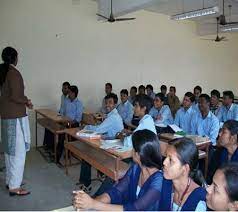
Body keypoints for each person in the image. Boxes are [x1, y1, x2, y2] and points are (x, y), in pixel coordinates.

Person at [73, 130, 164, 211]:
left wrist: (94, 204)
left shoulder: (159, 180)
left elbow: (135, 208)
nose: (131, 151)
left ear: (138, 154)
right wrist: (90, 202)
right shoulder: (136, 168)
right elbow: (117, 191)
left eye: (133, 148)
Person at [0, 47, 33, 196]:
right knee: (19, 153)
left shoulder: (2, 72)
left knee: (9, 151)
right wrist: (27, 101)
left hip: (6, 117)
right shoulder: (13, 73)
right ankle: (14, 186)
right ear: (14, 58)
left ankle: (10, 181)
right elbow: (16, 96)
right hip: (15, 118)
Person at [78, 93, 124, 192]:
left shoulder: (113, 117)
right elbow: (104, 130)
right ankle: (86, 181)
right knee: (88, 152)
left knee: (87, 155)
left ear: (115, 104)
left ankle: (86, 184)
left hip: (114, 148)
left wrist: (86, 127)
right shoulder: (111, 115)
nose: (107, 105)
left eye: (110, 103)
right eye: (106, 103)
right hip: (111, 143)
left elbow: (99, 129)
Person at [159, 138, 207, 211]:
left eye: (171, 160)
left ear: (185, 168)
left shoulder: (199, 202)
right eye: (166, 156)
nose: (164, 162)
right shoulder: (164, 182)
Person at [56, 85, 83, 163]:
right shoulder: (66, 101)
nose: (68, 94)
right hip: (65, 123)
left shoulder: (79, 103)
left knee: (62, 137)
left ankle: (57, 158)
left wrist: (68, 123)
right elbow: (62, 112)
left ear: (74, 93)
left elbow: (78, 119)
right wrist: (61, 118)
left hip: (74, 125)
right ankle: (57, 154)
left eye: (70, 93)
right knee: (57, 131)